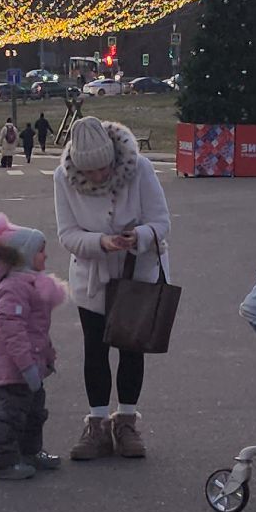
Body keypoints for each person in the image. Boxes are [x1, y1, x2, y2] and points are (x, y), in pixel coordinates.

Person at [54, 116, 170, 460]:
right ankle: (98, 424)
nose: (98, 176)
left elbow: (161, 221)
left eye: (103, 168)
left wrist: (139, 236)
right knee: (95, 349)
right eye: (89, 171)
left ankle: (127, 421)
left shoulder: (140, 168)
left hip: (137, 273)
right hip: (93, 276)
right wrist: (101, 242)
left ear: (114, 158)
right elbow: (67, 234)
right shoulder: (63, 177)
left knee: (132, 348)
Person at [0, 212, 66, 480]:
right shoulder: (14, 288)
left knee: (34, 412)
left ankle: (30, 451)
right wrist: (27, 366)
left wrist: (46, 356)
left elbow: (37, 330)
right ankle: (2, 461)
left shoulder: (30, 284)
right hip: (15, 367)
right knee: (11, 413)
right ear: (24, 256)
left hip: (32, 364)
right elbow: (13, 332)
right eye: (41, 251)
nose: (45, 256)